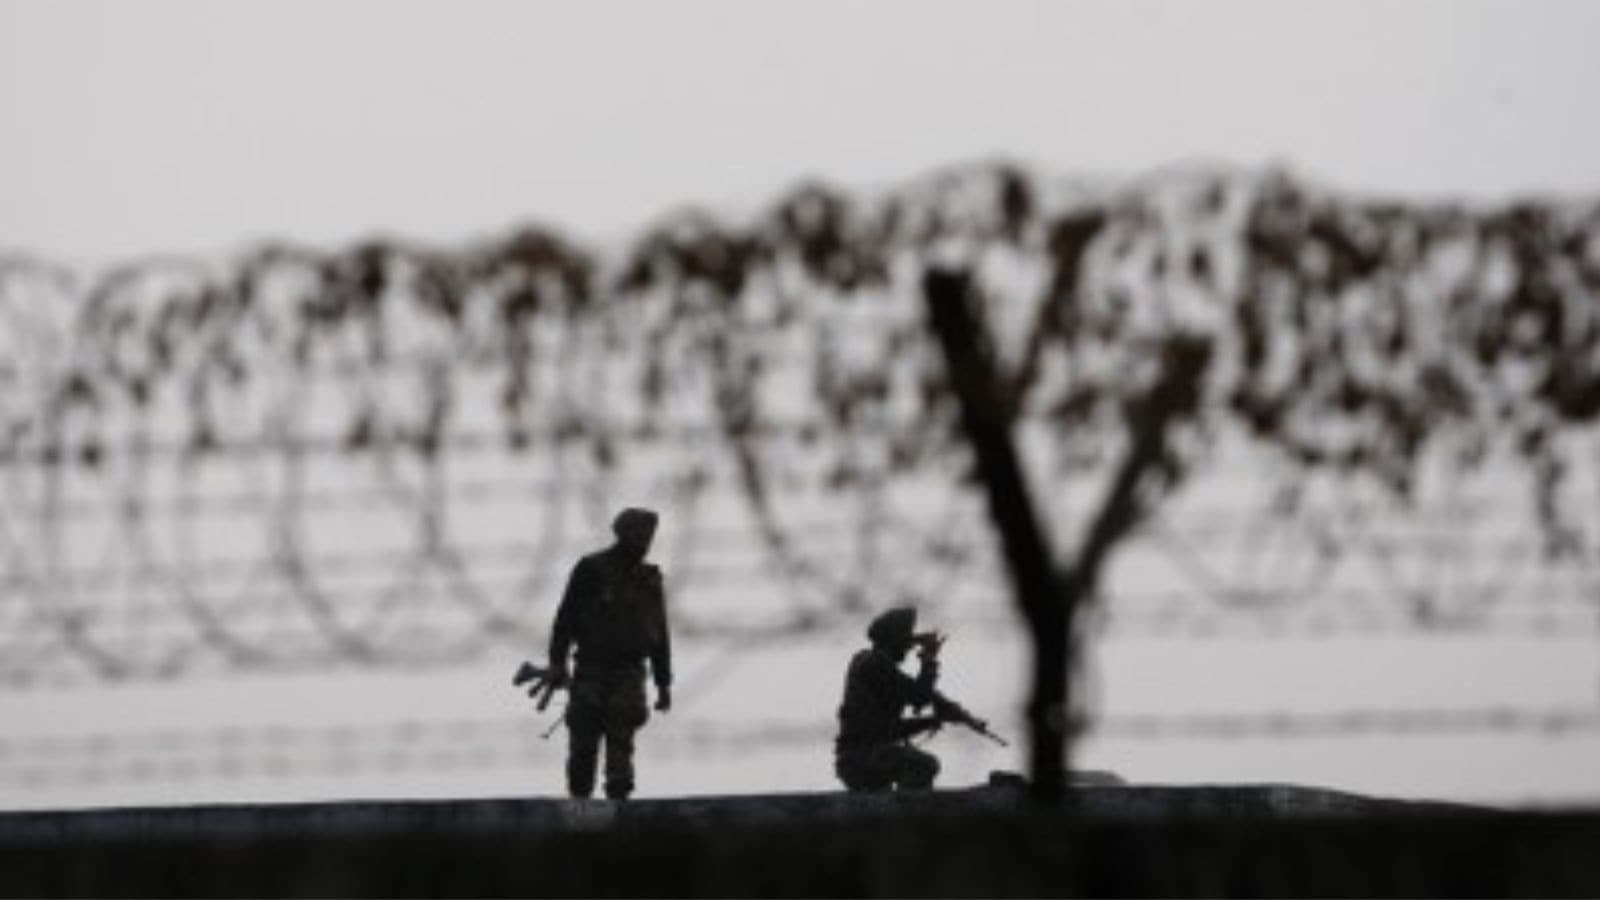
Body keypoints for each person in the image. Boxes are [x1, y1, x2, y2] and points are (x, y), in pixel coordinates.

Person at [546, 507, 672, 800]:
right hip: (591, 669)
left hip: (629, 673)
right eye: (640, 535)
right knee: (584, 742)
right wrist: (557, 663)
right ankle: (580, 802)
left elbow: (659, 633)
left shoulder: (648, 578)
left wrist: (663, 683)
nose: (645, 542)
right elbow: (565, 619)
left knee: (621, 741)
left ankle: (619, 804)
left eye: (649, 536)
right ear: (623, 534)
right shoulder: (591, 569)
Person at [833, 606, 948, 792]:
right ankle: (910, 809)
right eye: (905, 642)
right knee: (925, 765)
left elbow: (916, 696)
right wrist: (929, 660)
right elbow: (918, 697)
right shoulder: (874, 665)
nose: (909, 648)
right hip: (861, 757)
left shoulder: (869, 662)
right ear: (894, 641)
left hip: (859, 758)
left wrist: (930, 720)